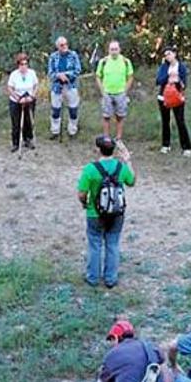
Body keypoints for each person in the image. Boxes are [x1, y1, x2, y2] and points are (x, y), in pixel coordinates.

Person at [77, 136, 135, 287]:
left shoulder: (90, 169)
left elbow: (82, 193)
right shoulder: (120, 167)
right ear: (114, 150)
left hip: (95, 213)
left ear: (98, 149)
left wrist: (85, 204)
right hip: (116, 213)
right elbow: (132, 181)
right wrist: (128, 160)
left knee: (95, 244)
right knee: (113, 244)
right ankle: (110, 279)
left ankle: (93, 278)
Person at [156, 47, 191, 156]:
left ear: (175, 54)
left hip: (177, 97)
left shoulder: (181, 67)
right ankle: (165, 145)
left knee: (180, 121)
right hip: (164, 97)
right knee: (165, 121)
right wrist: (168, 77)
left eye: (169, 54)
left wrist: (178, 80)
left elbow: (184, 84)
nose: (167, 56)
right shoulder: (163, 67)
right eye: (165, 55)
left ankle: (186, 147)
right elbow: (158, 81)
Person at [95, 41, 135, 142]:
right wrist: (102, 91)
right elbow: (98, 76)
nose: (114, 51)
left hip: (120, 93)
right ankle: (106, 137)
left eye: (116, 49)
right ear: (108, 50)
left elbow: (130, 77)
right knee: (106, 116)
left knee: (120, 116)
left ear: (119, 50)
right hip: (107, 93)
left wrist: (125, 91)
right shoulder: (103, 62)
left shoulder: (125, 61)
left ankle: (118, 137)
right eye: (112, 49)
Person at [47, 36, 82, 139]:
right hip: (57, 87)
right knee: (56, 110)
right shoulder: (53, 57)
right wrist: (58, 76)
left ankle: (72, 131)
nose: (65, 46)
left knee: (73, 109)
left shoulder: (73, 55)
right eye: (62, 45)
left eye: (66, 44)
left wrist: (65, 75)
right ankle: (55, 131)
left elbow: (78, 70)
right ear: (57, 46)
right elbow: (50, 72)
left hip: (71, 86)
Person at [7, 52, 39, 152]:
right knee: (16, 123)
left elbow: (36, 86)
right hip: (16, 100)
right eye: (21, 64)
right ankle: (15, 143)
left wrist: (32, 96)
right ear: (18, 65)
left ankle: (28, 140)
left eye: (25, 64)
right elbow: (10, 88)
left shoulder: (32, 73)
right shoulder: (14, 74)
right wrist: (17, 98)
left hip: (29, 99)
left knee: (28, 121)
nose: (24, 66)